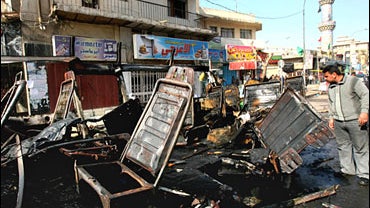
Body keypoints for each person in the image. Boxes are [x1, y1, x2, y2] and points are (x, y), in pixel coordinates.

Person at [322, 64, 369, 186]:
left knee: (360, 148)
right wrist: (331, 118)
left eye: (326, 76)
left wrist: (364, 112)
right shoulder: (331, 87)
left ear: (334, 74)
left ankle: (364, 174)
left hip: (355, 120)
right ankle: (347, 171)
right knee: (343, 147)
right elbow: (331, 103)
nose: (325, 79)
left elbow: (366, 95)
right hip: (339, 122)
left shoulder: (353, 81)